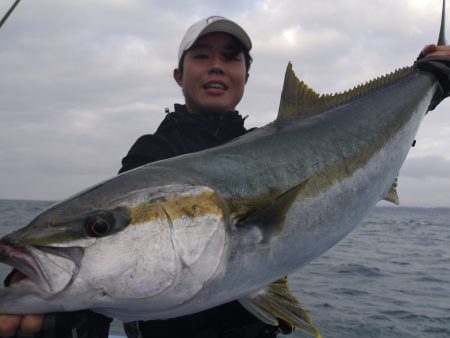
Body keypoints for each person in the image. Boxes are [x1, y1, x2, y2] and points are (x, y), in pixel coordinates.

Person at [2, 15, 450, 338]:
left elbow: (361, 143)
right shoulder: (153, 156)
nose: (216, 65)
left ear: (245, 76)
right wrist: (69, 311)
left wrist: (427, 86)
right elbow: (123, 263)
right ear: (179, 74)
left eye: (231, 58)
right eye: (202, 56)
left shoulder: (272, 141)